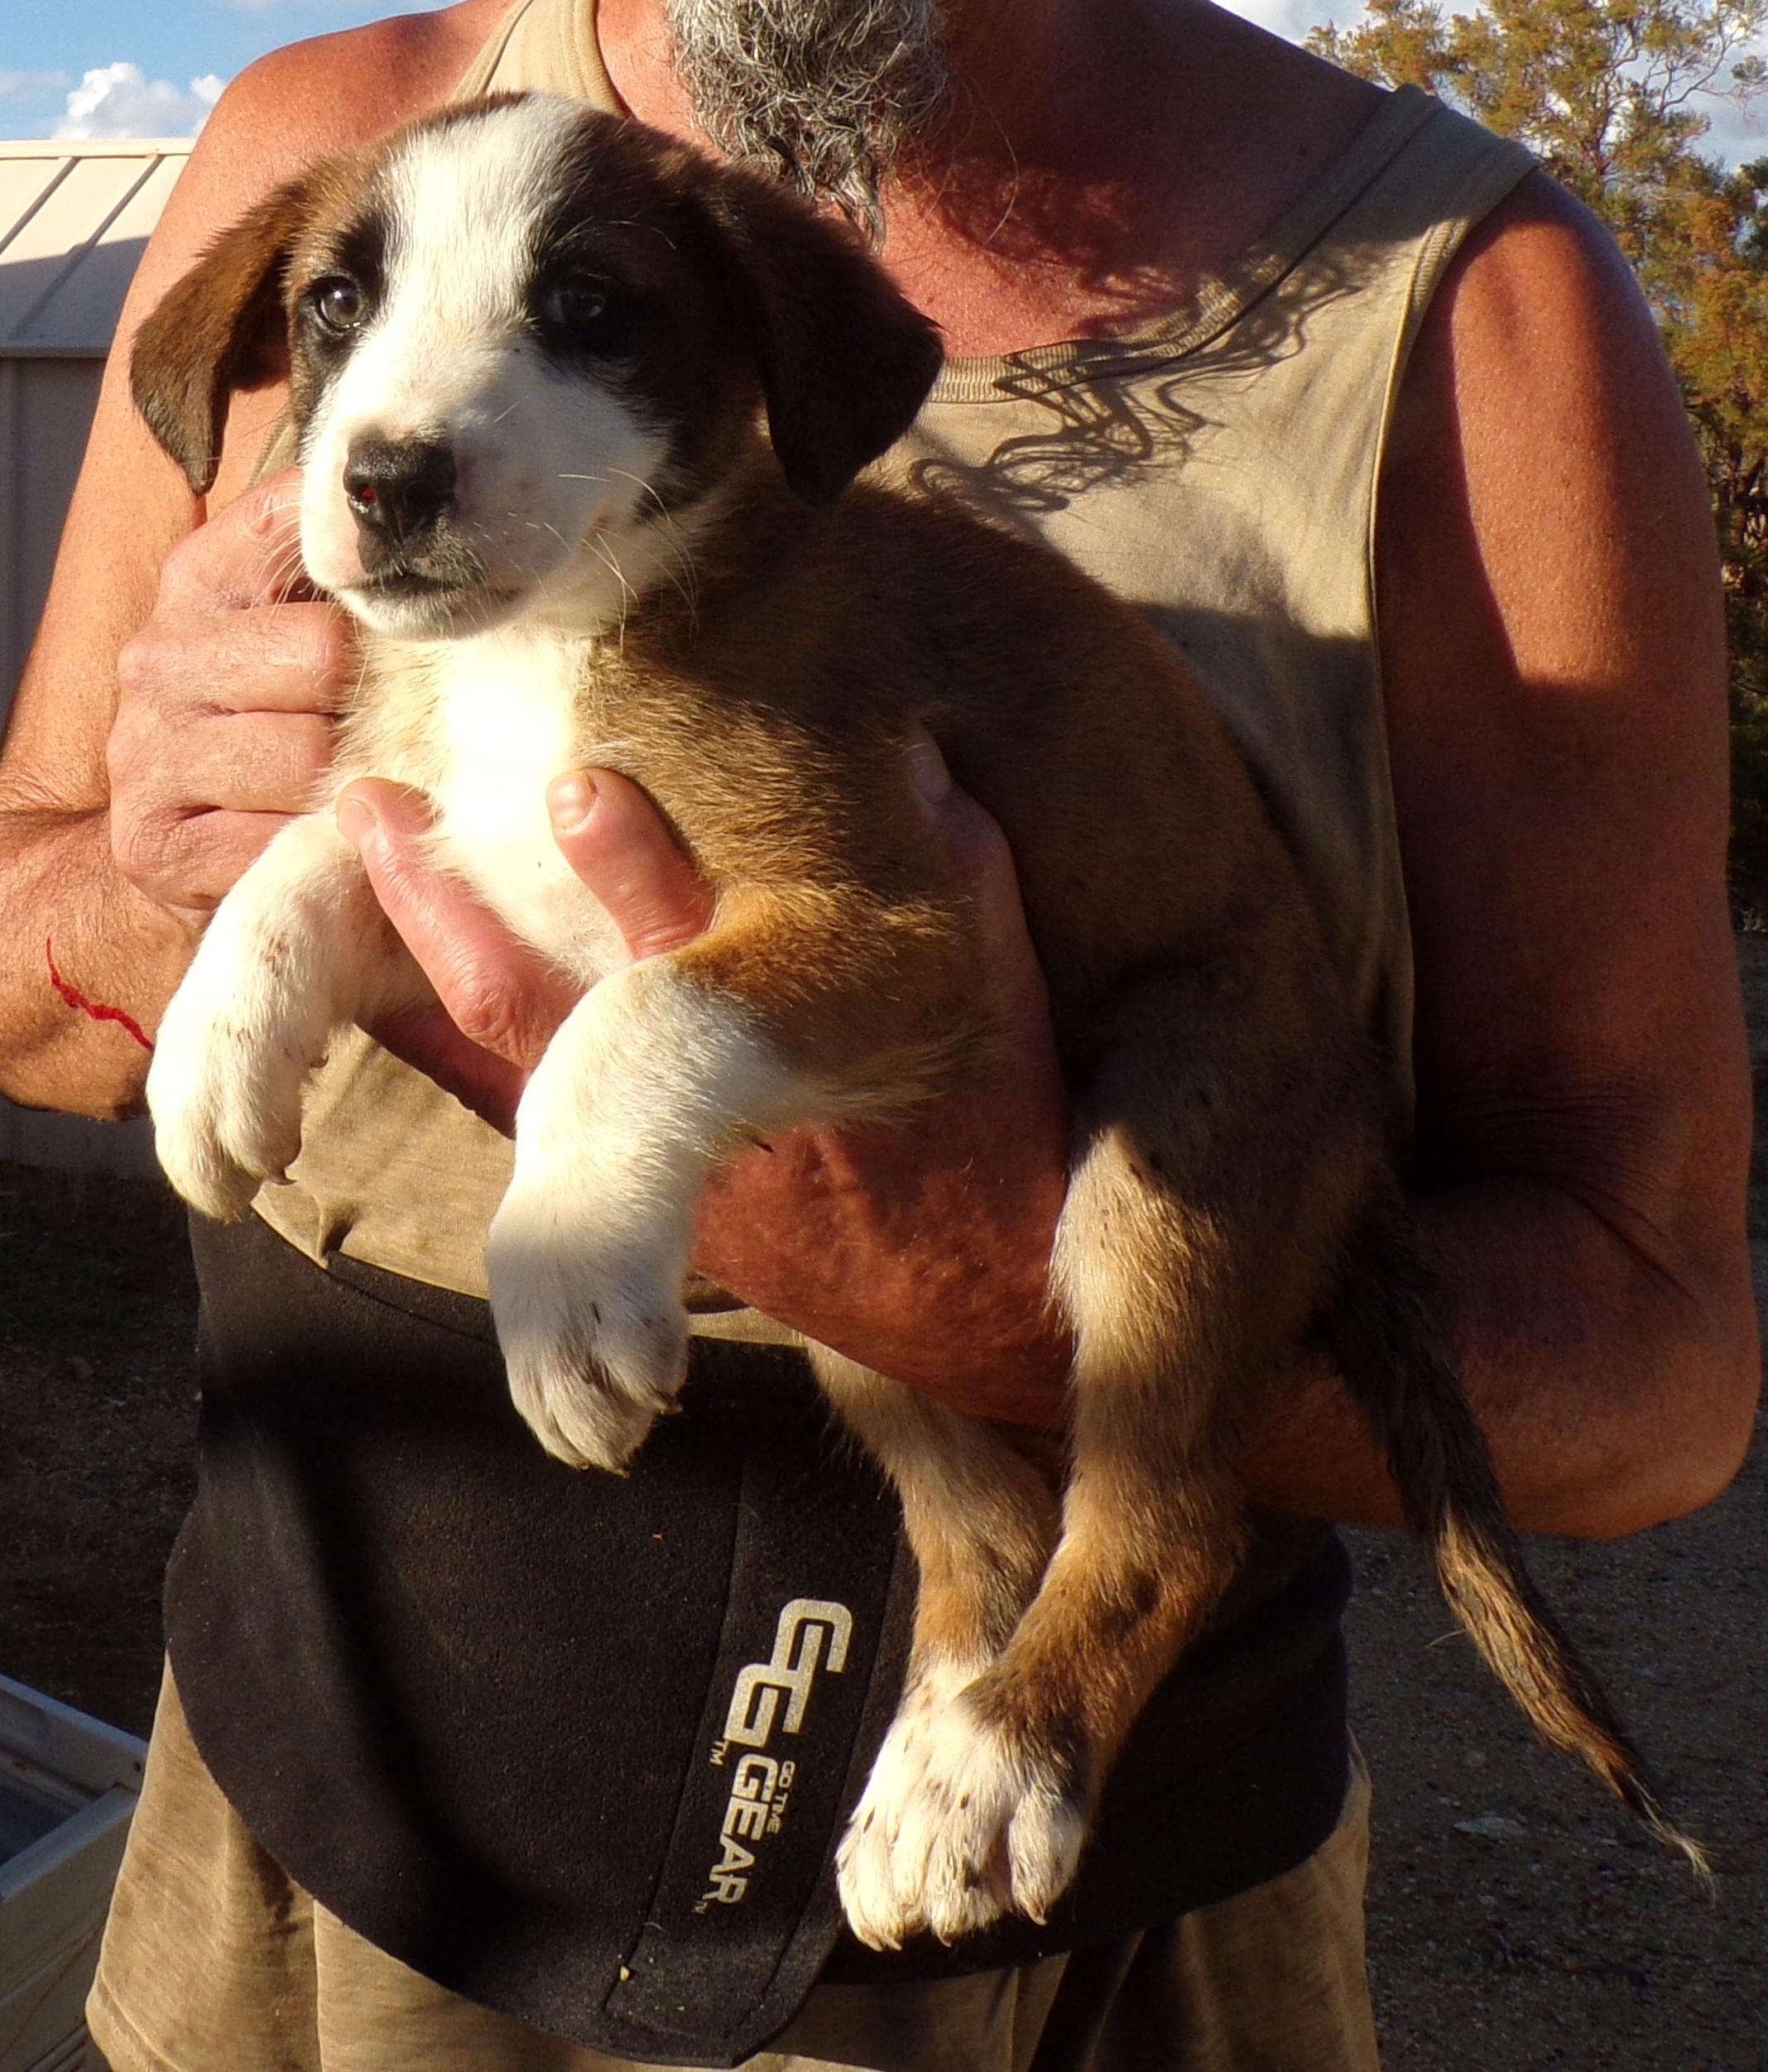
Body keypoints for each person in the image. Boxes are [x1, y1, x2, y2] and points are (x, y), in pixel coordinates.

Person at [0, 0, 1756, 2065]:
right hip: (343, 1785)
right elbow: (44, 991)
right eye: (345, 325)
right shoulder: (335, 129)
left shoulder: (1474, 303)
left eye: (584, 314)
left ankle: (1037, 1656)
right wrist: (167, 881)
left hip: (1068, 1900)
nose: (399, 416)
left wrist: (980, 1300)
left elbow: (1659, 1365)